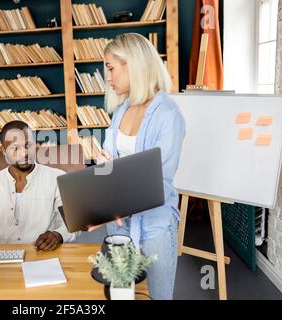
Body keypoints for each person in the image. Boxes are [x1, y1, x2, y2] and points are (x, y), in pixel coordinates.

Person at [92, 33, 186, 300]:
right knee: (120, 294)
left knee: (158, 296)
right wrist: (97, 205)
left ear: (133, 64)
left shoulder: (168, 115)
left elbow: (156, 180)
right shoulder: (121, 111)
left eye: (110, 68)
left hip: (154, 226)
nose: (107, 78)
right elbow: (108, 163)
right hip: (119, 224)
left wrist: (115, 196)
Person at [0, 120, 78, 251]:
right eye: (15, 148)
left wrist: (58, 235)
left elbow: (73, 224)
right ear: (3, 151)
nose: (24, 153)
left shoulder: (57, 178)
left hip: (43, 255)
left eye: (28, 145)